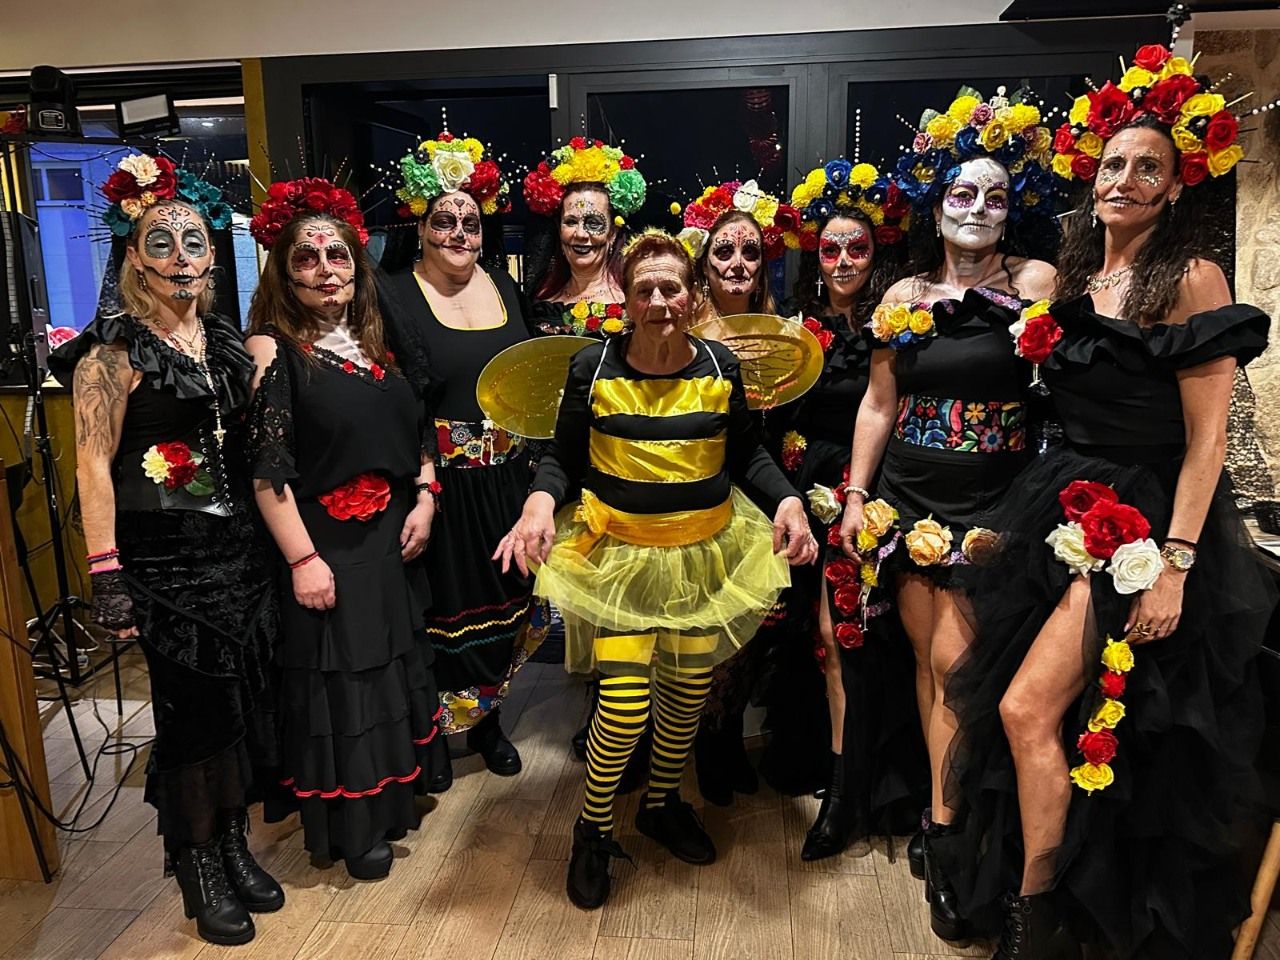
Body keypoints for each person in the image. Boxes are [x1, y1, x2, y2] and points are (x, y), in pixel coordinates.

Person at [935, 47, 1275, 959]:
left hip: (1145, 521)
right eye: (1114, 163)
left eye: (1146, 168)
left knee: (1026, 710)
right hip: (1065, 501)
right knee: (1012, 696)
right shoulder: (1081, 276)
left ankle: (1036, 924)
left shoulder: (1191, 277)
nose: (1124, 179)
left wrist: (1175, 565)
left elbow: (1207, 440)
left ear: (1176, 187)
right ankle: (1040, 900)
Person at [494, 230, 817, 910]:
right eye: (645, 290)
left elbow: (746, 454)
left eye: (671, 288)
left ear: (692, 295)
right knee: (623, 706)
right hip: (619, 561)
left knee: (686, 696)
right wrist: (539, 502)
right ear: (628, 300)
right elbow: (563, 457)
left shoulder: (720, 365)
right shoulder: (594, 367)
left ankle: (662, 804)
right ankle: (593, 829)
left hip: (705, 555)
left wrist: (787, 499)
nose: (659, 302)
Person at [837, 87, 1058, 941]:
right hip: (908, 502)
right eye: (962, 194)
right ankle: (940, 818)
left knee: (960, 676)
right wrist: (858, 494)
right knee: (930, 669)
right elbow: (878, 405)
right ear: (936, 208)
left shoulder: (1034, 283)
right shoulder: (902, 293)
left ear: (1012, 209)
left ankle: (951, 837)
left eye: (995, 195)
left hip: (993, 504)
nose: (977, 208)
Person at [51, 155, 283, 945]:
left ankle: (233, 842)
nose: (180, 256)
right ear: (134, 258)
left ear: (213, 254)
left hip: (239, 559)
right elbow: (91, 465)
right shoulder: (110, 355)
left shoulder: (222, 342)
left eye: (193, 242)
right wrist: (106, 573)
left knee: (238, 706)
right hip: (163, 567)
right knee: (191, 718)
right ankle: (196, 863)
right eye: (161, 242)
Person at [244, 179, 446, 880]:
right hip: (326, 546)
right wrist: (303, 561)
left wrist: (425, 495)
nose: (327, 270)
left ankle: (394, 800)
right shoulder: (272, 350)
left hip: (390, 539)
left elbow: (419, 425)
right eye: (308, 258)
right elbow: (266, 474)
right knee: (345, 684)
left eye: (338, 256)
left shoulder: (376, 342)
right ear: (284, 271)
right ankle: (355, 827)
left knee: (387, 671)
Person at [376, 128, 545, 782]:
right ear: (419, 227)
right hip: (438, 483)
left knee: (506, 602)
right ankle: (434, 737)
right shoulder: (392, 292)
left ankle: (487, 722)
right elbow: (394, 394)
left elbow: (527, 378)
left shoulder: (504, 284)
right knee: (442, 613)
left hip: (507, 480)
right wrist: (421, 482)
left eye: (470, 223)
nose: (458, 233)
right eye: (443, 220)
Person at [775, 159, 922, 861]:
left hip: (867, 492)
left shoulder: (894, 323)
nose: (841, 261)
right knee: (810, 637)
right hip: (802, 492)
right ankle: (824, 765)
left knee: (847, 639)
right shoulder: (795, 326)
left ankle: (850, 793)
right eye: (830, 248)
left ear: (876, 250)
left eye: (855, 248)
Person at [674, 180, 799, 805]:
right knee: (707, 629)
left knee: (755, 625)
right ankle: (702, 742)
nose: (737, 264)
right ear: (704, 258)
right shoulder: (679, 328)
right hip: (702, 497)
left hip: (762, 489)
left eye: (750, 252)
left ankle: (723, 736)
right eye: (724, 250)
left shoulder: (781, 331)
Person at [522, 137, 645, 338]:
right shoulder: (541, 302)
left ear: (612, 233)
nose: (580, 234)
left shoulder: (635, 300)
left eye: (593, 223)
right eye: (571, 222)